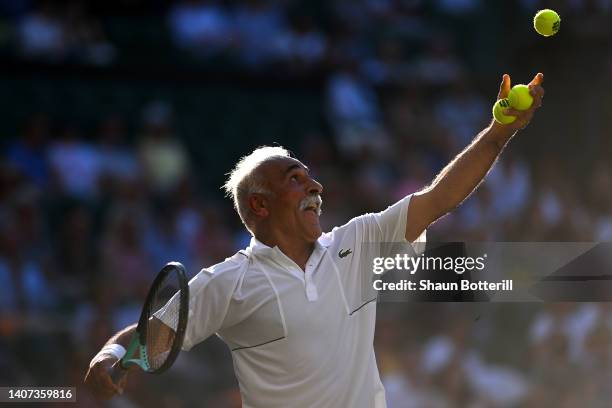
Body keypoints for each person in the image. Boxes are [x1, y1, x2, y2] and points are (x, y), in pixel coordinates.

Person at [85, 73, 545, 407]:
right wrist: (111, 356)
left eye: (312, 178)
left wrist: (499, 132)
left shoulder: (359, 241)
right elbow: (152, 335)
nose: (315, 187)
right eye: (295, 180)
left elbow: (440, 198)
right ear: (260, 206)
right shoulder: (226, 284)